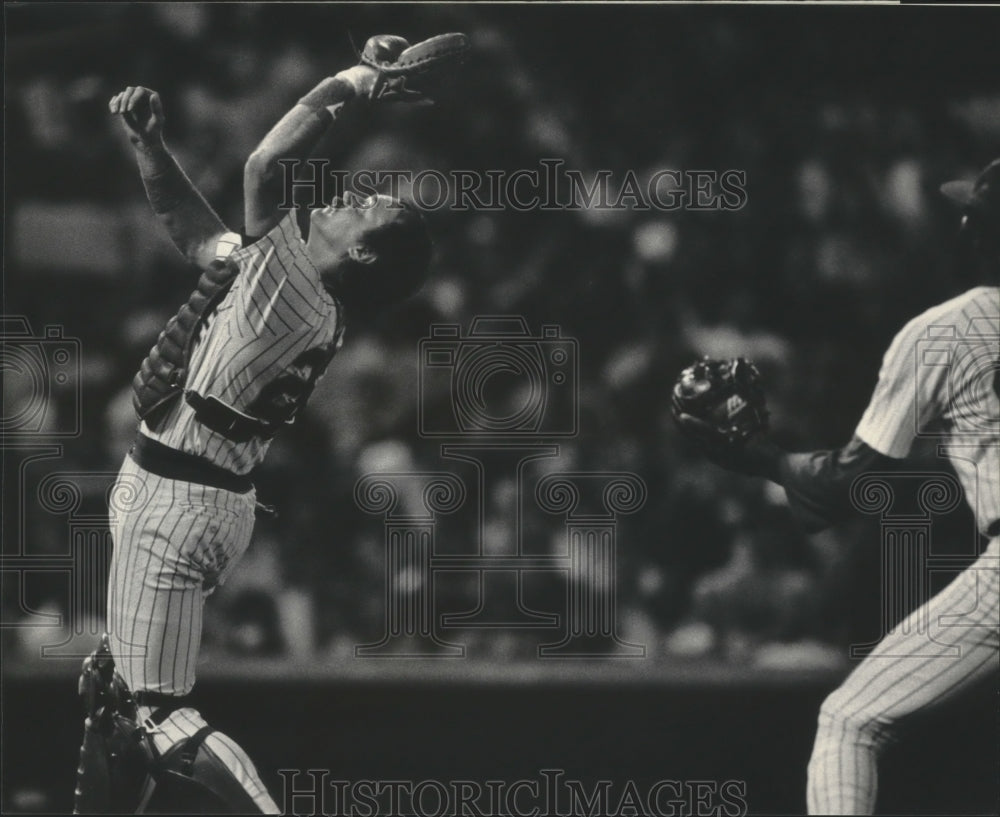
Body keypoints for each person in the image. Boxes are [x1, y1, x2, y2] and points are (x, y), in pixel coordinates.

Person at [78, 40, 434, 813]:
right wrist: (151, 149)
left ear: (366, 254)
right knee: (119, 702)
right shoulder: (288, 286)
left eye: (367, 209)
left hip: (179, 495)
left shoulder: (298, 290)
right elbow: (196, 234)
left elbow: (263, 169)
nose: (348, 199)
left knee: (155, 712)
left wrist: (352, 83)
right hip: (191, 485)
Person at [675, 159, 1000, 815]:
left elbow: (840, 489)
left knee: (851, 721)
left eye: (972, 210)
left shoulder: (948, 329)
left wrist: (760, 456)